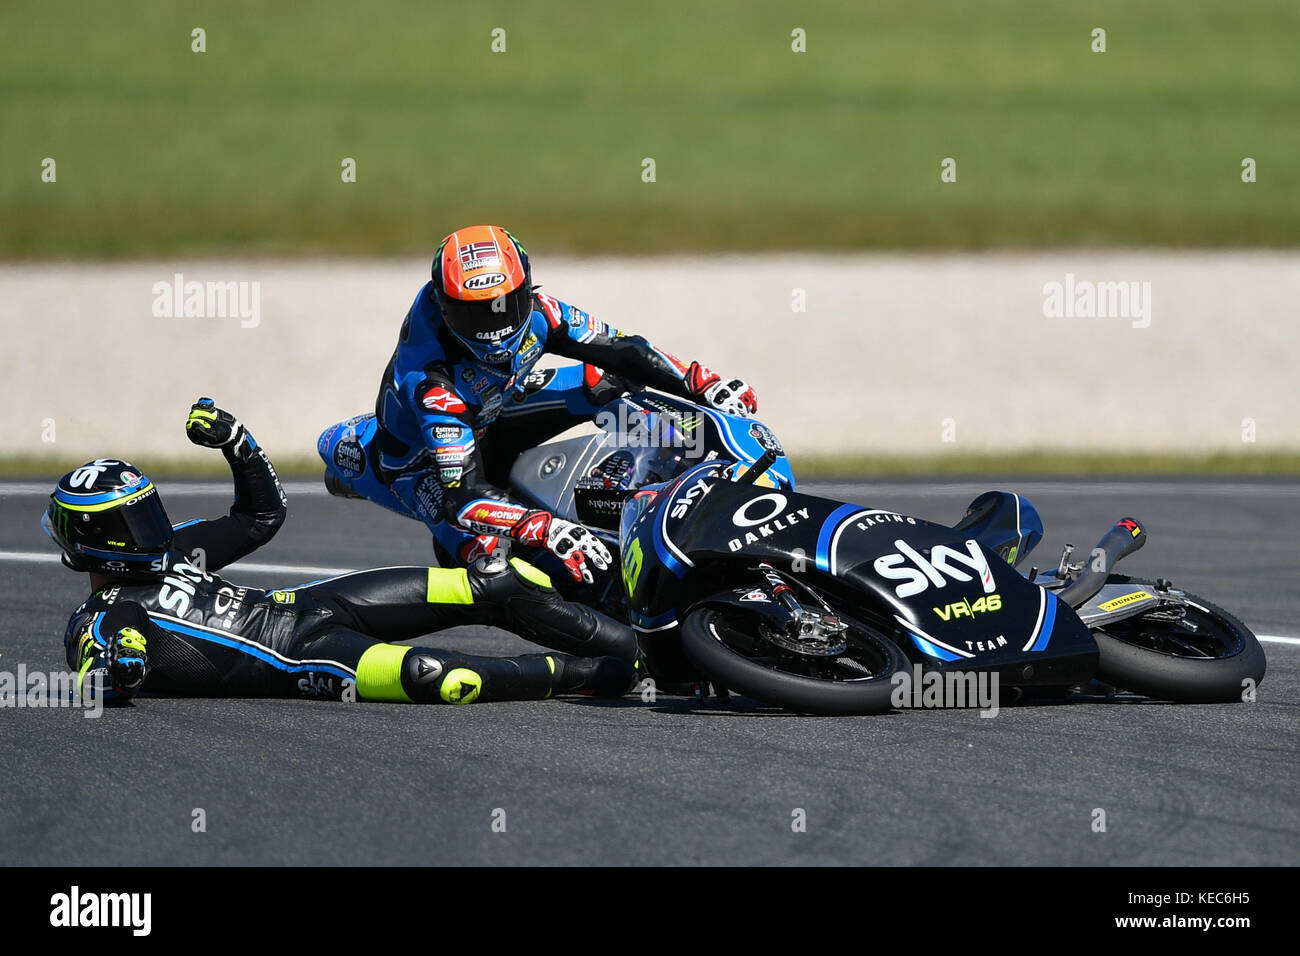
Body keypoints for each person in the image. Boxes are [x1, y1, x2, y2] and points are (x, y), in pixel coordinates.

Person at [44, 399, 638, 707]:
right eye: (132, 522)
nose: (153, 529)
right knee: (436, 676)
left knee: (487, 576)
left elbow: (259, 517)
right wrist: (115, 665)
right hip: (302, 657)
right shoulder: (101, 615)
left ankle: (640, 630)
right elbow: (103, 660)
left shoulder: (173, 552)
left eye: (149, 510)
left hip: (309, 604)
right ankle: (608, 674)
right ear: (95, 544)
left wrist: (236, 443)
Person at [318, 224, 759, 581]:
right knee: (490, 561)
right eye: (475, 313)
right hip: (425, 467)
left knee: (604, 382)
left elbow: (623, 348)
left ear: (526, 287)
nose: (493, 327)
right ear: (444, 306)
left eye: (505, 305)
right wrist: (545, 528)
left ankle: (691, 449)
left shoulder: (543, 311)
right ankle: (601, 658)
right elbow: (464, 497)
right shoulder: (431, 384)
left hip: (496, 409)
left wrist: (704, 383)